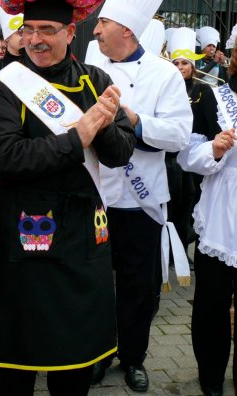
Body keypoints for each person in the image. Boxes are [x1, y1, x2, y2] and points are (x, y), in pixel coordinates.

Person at [0, 1, 135, 395]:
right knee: (17, 357)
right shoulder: (6, 84)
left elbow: (121, 153)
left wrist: (102, 127)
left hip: (83, 238)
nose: (34, 39)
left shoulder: (95, 79)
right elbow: (3, 160)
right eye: (28, 29)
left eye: (46, 30)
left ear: (70, 33)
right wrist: (78, 137)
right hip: (26, 235)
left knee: (74, 359)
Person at [88, 0, 193, 392]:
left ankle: (132, 357)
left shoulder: (164, 75)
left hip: (141, 200)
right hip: (96, 199)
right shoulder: (89, 71)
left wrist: (136, 121)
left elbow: (180, 135)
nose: (95, 31)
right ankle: (96, 354)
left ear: (127, 30)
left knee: (137, 288)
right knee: (96, 283)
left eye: (103, 23)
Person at [177, 37, 237, 396]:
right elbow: (186, 155)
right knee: (213, 305)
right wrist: (212, 150)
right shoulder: (214, 97)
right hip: (220, 216)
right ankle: (211, 377)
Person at [167, 28, 220, 251]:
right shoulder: (166, 90)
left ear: (192, 65)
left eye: (185, 63)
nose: (180, 68)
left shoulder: (203, 91)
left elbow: (212, 128)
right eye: (176, 63)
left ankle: (184, 247)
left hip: (196, 159)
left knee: (191, 203)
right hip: (170, 157)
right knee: (171, 204)